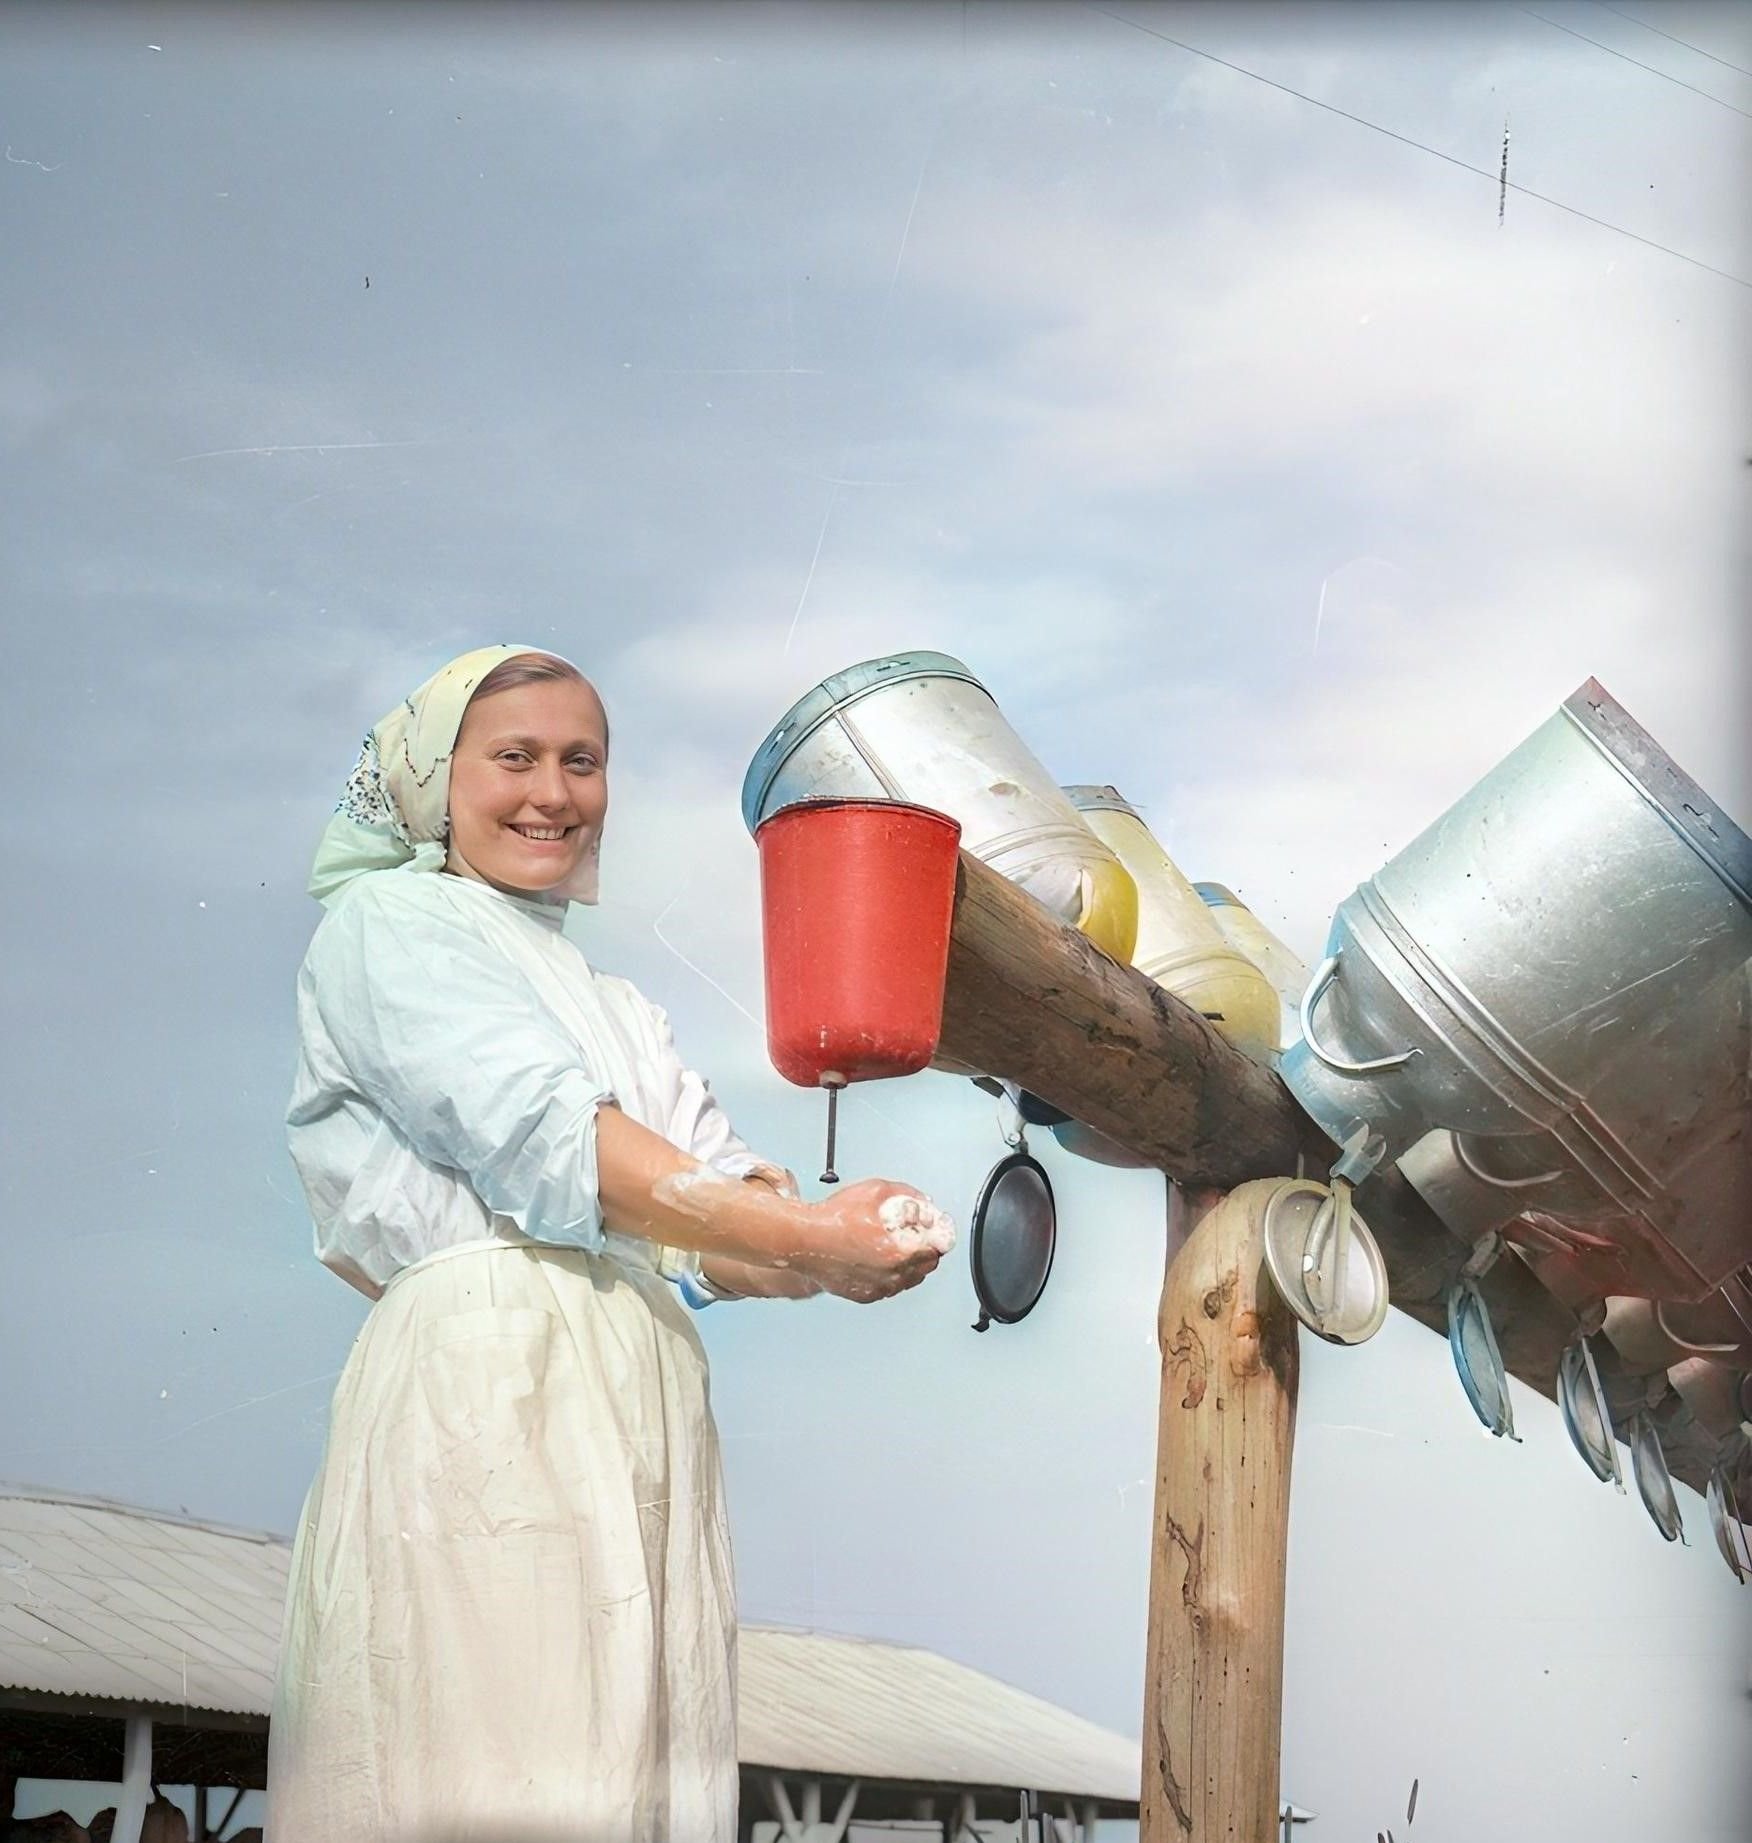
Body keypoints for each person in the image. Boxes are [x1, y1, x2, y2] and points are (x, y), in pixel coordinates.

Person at [265, 646, 951, 1843]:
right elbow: (556, 1143)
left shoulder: (620, 1003)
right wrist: (790, 1228)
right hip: (490, 1388)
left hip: (636, 1396)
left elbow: (704, 1216)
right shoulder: (392, 926)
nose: (553, 792)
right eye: (514, 758)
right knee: (495, 1750)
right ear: (436, 780)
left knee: (631, 1762)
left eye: (582, 761)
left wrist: (836, 1252)